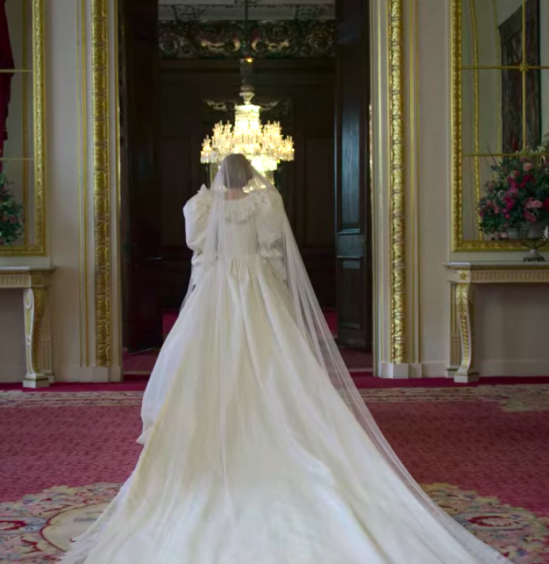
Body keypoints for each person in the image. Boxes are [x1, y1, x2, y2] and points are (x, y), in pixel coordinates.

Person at [61, 154, 511, 564]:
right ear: (251, 175)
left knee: (208, 363)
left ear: (219, 175)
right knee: (274, 361)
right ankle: (279, 424)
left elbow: (198, 247)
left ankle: (223, 428)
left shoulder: (200, 206)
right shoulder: (265, 204)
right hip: (255, 284)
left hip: (217, 288)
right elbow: (274, 247)